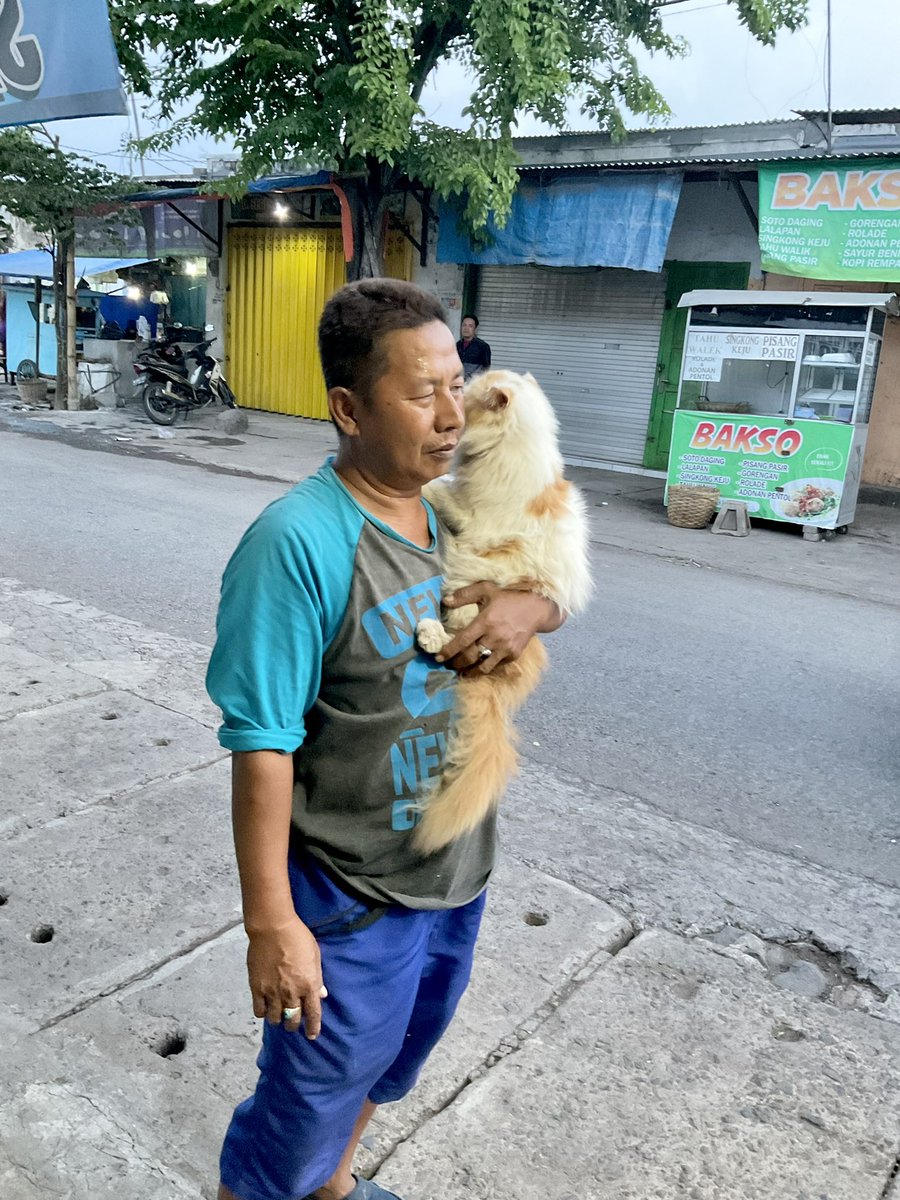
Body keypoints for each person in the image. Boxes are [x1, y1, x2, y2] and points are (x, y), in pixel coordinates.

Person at [206, 278, 562, 1200]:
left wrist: (531, 606)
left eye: (459, 382)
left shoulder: (450, 510)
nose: (454, 415)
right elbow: (262, 747)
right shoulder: (299, 543)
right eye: (422, 393)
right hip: (350, 895)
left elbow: (547, 575)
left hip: (453, 873)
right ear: (348, 407)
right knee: (303, 1105)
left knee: (392, 1066)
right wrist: (271, 923)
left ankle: (338, 1187)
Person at [456, 313, 491, 380]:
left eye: (470, 326)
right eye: (464, 325)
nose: (466, 328)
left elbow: (486, 369)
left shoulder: (483, 346)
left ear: (475, 329)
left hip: (474, 385)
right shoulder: (457, 345)